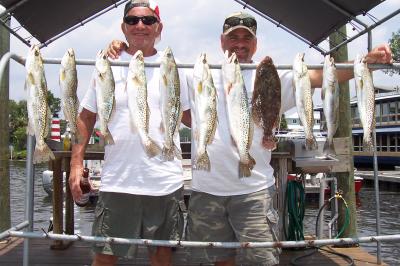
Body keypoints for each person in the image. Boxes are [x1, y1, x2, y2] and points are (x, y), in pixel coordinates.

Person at [107, 10, 392, 266]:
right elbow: (165, 87)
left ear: (255, 43)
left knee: (262, 259)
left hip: (255, 191)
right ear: (222, 41)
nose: (239, 44)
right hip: (207, 190)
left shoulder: (271, 76)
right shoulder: (201, 75)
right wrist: (123, 47)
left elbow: (320, 77)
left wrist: (365, 61)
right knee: (216, 260)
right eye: (233, 38)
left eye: (246, 38)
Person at [69, 0, 190, 265]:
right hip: (118, 181)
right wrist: (76, 163)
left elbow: (194, 117)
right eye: (133, 20)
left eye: (148, 20)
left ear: (159, 27)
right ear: (123, 27)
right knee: (104, 257)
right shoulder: (108, 63)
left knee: (161, 256)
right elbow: (86, 117)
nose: (140, 25)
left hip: (164, 182)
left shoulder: (175, 66)